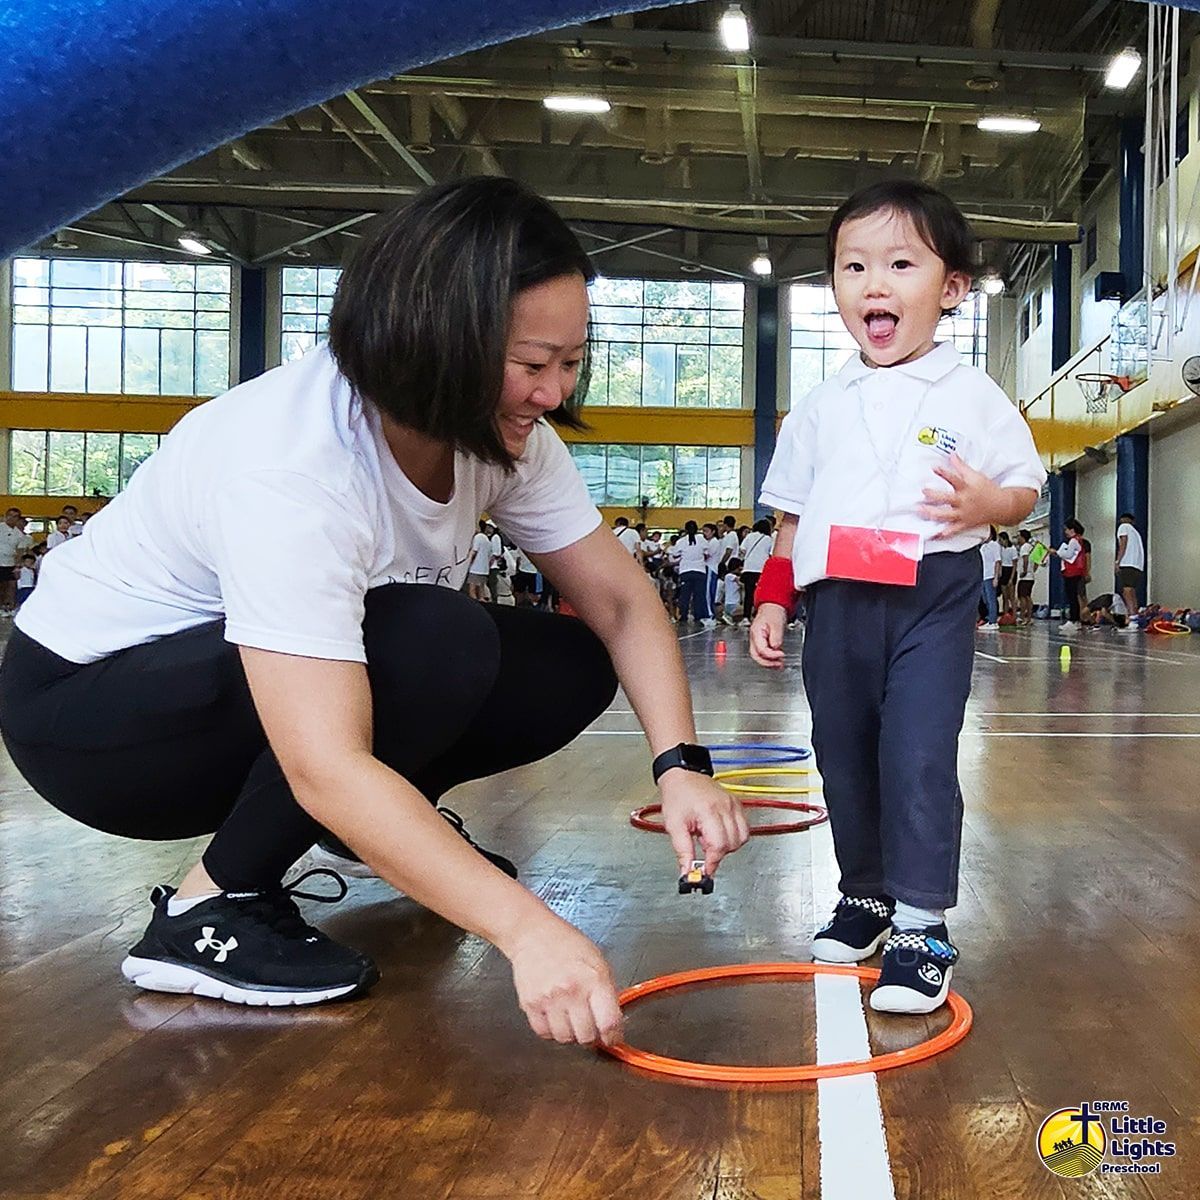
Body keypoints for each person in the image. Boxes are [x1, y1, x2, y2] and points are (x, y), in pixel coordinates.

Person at [0, 177, 749, 1043]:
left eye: (570, 363)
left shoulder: (506, 438)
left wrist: (682, 763)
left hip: (244, 698)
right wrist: (524, 930)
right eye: (531, 364)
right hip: (93, 724)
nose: (552, 394)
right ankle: (209, 910)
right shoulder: (292, 466)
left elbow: (619, 601)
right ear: (436, 341)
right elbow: (324, 761)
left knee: (565, 662)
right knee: (429, 636)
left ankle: (384, 828)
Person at [750, 179, 1044, 1014]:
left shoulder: (973, 395)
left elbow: (1025, 486)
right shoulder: (821, 403)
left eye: (901, 264)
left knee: (916, 753)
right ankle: (868, 894)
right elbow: (788, 516)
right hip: (836, 601)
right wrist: (775, 597)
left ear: (951, 289)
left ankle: (921, 923)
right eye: (853, 267)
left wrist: (991, 505)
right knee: (841, 754)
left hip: (932, 595)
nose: (873, 285)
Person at [674, 521, 713, 627]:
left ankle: (683, 616)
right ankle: (699, 616)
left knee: (685, 595)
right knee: (699, 595)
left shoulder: (681, 541)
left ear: (686, 529)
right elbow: (708, 553)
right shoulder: (702, 539)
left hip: (685, 571)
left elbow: (674, 554)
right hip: (700, 571)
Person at [1051, 518, 1086, 631]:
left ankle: (1074, 620)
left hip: (1072, 572)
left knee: (1072, 597)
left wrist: (1056, 552)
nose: (1065, 532)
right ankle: (1076, 620)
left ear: (1072, 529)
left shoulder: (1073, 541)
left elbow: (1068, 554)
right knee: (1073, 596)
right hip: (1075, 572)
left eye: (1066, 529)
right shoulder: (1079, 540)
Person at [737, 518, 773, 627]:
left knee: (748, 594)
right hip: (761, 570)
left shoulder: (749, 536)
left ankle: (746, 617)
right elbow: (771, 554)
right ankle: (758, 616)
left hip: (748, 569)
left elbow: (742, 550)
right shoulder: (768, 539)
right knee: (760, 595)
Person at [1115, 512, 1145, 631]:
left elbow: (1123, 543)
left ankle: (1132, 619)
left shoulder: (1124, 527)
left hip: (1127, 563)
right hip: (1137, 565)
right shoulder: (1136, 533)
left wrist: (1118, 560)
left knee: (1126, 591)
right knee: (1131, 591)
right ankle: (1135, 618)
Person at [0, 509, 33, 616]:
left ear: (18, 519)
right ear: (5, 516)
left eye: (15, 516)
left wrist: (18, 567)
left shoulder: (19, 535)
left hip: (10, 563)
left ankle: (7, 607)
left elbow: (20, 551)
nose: (11, 518)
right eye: (9, 515)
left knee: (10, 586)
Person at [979, 526, 1001, 630]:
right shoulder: (983, 547)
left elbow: (997, 561)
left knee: (991, 599)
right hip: (983, 576)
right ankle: (989, 618)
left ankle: (993, 621)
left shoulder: (994, 545)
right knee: (985, 599)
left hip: (991, 576)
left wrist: (996, 577)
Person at [1015, 528, 1037, 625]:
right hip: (1030, 576)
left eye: (1019, 536)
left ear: (1023, 537)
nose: (1017, 538)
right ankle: (1029, 618)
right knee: (1028, 597)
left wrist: (1024, 571)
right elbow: (1037, 560)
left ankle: (1023, 617)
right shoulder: (1031, 547)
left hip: (1025, 577)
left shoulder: (1024, 547)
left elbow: (1025, 559)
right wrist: (1033, 570)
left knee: (1023, 597)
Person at [466, 519, 492, 602]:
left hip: (475, 568)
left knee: (472, 590)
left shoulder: (478, 537)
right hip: (484, 569)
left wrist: (467, 563)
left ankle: (473, 605)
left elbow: (474, 552)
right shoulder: (486, 539)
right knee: (481, 592)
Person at [996, 530, 1017, 618]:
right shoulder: (1000, 549)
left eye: (1001, 540)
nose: (1000, 542)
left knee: (1011, 596)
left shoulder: (1012, 549)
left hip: (1010, 570)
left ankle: (1014, 615)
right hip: (1003, 570)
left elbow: (1014, 564)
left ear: (1005, 539)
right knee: (1005, 596)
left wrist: (1011, 578)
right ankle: (1005, 615)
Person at [719, 558, 743, 625]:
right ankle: (728, 616)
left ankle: (731, 618)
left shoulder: (728, 577)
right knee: (750, 610)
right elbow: (741, 584)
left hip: (731, 604)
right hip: (732, 604)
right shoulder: (730, 576)